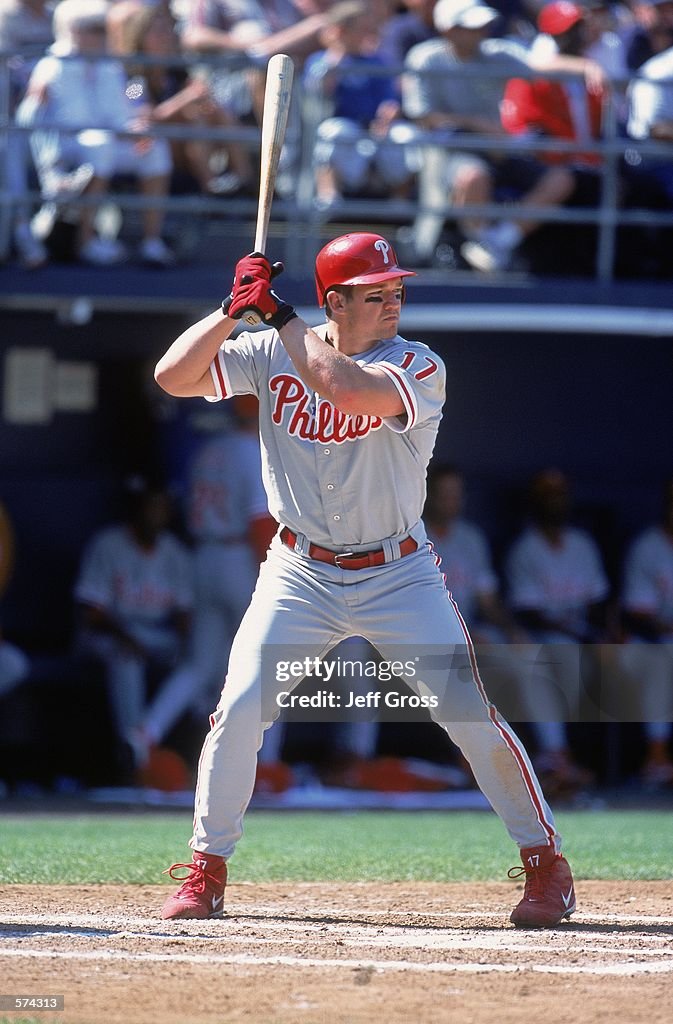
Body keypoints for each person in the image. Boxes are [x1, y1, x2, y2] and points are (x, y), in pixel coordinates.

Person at [154, 229, 576, 928]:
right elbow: (173, 377)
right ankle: (207, 869)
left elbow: (343, 388)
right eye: (375, 294)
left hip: (398, 573)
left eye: (396, 291)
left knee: (467, 713)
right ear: (335, 302)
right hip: (299, 572)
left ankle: (545, 864)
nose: (392, 303)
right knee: (238, 711)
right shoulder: (267, 349)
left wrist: (280, 317)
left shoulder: (416, 363)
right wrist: (232, 310)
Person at [17, 0, 176, 266]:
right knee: (99, 144)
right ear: (72, 30)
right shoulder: (51, 66)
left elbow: (123, 108)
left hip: (106, 139)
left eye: (102, 28)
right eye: (93, 28)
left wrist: (133, 127)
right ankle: (85, 240)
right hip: (66, 147)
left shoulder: (113, 67)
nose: (100, 35)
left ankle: (152, 241)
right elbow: (35, 120)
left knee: (154, 148)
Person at [73, 480, 199, 778]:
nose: (156, 515)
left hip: (154, 635)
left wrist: (184, 646)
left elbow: (184, 615)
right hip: (108, 633)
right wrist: (128, 638)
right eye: (150, 507)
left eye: (162, 508)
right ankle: (134, 757)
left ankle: (190, 755)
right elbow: (90, 613)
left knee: (197, 664)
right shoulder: (108, 544)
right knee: (126, 657)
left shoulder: (174, 553)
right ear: (136, 509)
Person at [504, 468, 611, 796]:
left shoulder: (581, 544)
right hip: (551, 638)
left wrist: (606, 635)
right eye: (548, 494)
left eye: (561, 493)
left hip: (585, 638)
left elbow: (599, 600)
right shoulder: (525, 548)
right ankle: (555, 757)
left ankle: (557, 759)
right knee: (549, 654)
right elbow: (528, 612)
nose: (556, 500)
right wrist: (585, 635)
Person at [105, 0, 253, 196]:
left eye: (167, 30)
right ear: (141, 37)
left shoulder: (175, 72)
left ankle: (246, 183)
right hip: (152, 146)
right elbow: (143, 116)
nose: (165, 36)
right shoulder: (134, 80)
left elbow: (193, 95)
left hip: (183, 144)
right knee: (191, 117)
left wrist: (200, 99)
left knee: (215, 111)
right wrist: (185, 100)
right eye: (157, 31)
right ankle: (210, 188)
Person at [303, 7, 420, 214]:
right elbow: (318, 91)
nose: (370, 35)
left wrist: (388, 114)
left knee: (406, 135)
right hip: (342, 131)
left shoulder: (377, 61)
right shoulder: (320, 60)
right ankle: (329, 199)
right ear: (341, 30)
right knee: (334, 131)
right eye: (362, 29)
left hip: (375, 131)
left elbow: (389, 101)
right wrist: (337, 50)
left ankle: (399, 203)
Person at [619, 478, 673, 786]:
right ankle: (657, 757)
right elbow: (640, 615)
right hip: (646, 643)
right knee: (660, 656)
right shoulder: (649, 547)